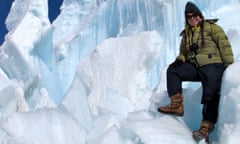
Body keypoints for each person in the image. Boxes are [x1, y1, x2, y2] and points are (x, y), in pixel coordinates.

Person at [157, 1, 234, 143]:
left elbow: (224, 45)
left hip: (213, 64)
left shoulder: (212, 27)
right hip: (196, 67)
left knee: (210, 94)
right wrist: (180, 59)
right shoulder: (186, 34)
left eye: (195, 15)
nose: (192, 18)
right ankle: (176, 105)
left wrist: (230, 66)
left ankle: (205, 129)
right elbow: (183, 52)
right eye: (189, 16)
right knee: (173, 71)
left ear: (200, 15)